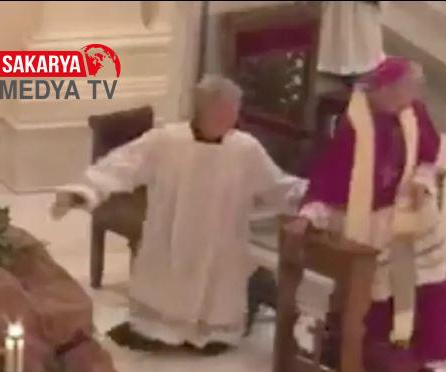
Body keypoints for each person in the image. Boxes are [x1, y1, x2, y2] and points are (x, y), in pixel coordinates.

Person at [51, 75, 307, 355]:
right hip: (171, 235)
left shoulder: (245, 149)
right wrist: (86, 190)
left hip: (220, 242)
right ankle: (157, 329)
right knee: (165, 288)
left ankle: (212, 333)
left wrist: (313, 198)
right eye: (223, 111)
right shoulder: (168, 140)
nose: (231, 118)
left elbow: (275, 184)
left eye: (234, 110)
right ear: (203, 109)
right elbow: (122, 165)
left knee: (215, 291)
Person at [285, 57, 446, 372]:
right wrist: (309, 216)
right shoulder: (353, 124)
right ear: (387, 89)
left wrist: (421, 181)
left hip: (411, 219)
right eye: (410, 87)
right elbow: (329, 179)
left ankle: (415, 359)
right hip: (369, 221)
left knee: (427, 286)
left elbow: (428, 157)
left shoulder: (413, 112)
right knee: (377, 292)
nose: (415, 95)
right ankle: (367, 358)